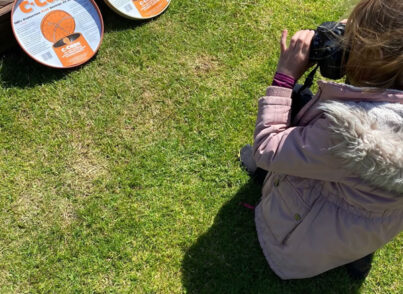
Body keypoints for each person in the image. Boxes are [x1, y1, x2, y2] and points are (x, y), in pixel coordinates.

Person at [246, 0, 403, 280]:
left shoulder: (353, 134)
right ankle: (356, 256)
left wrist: (284, 77)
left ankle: (269, 196)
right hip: (365, 225)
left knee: (292, 104)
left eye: (354, 38)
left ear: (376, 60)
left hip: (296, 245)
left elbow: (267, 148)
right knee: (363, 202)